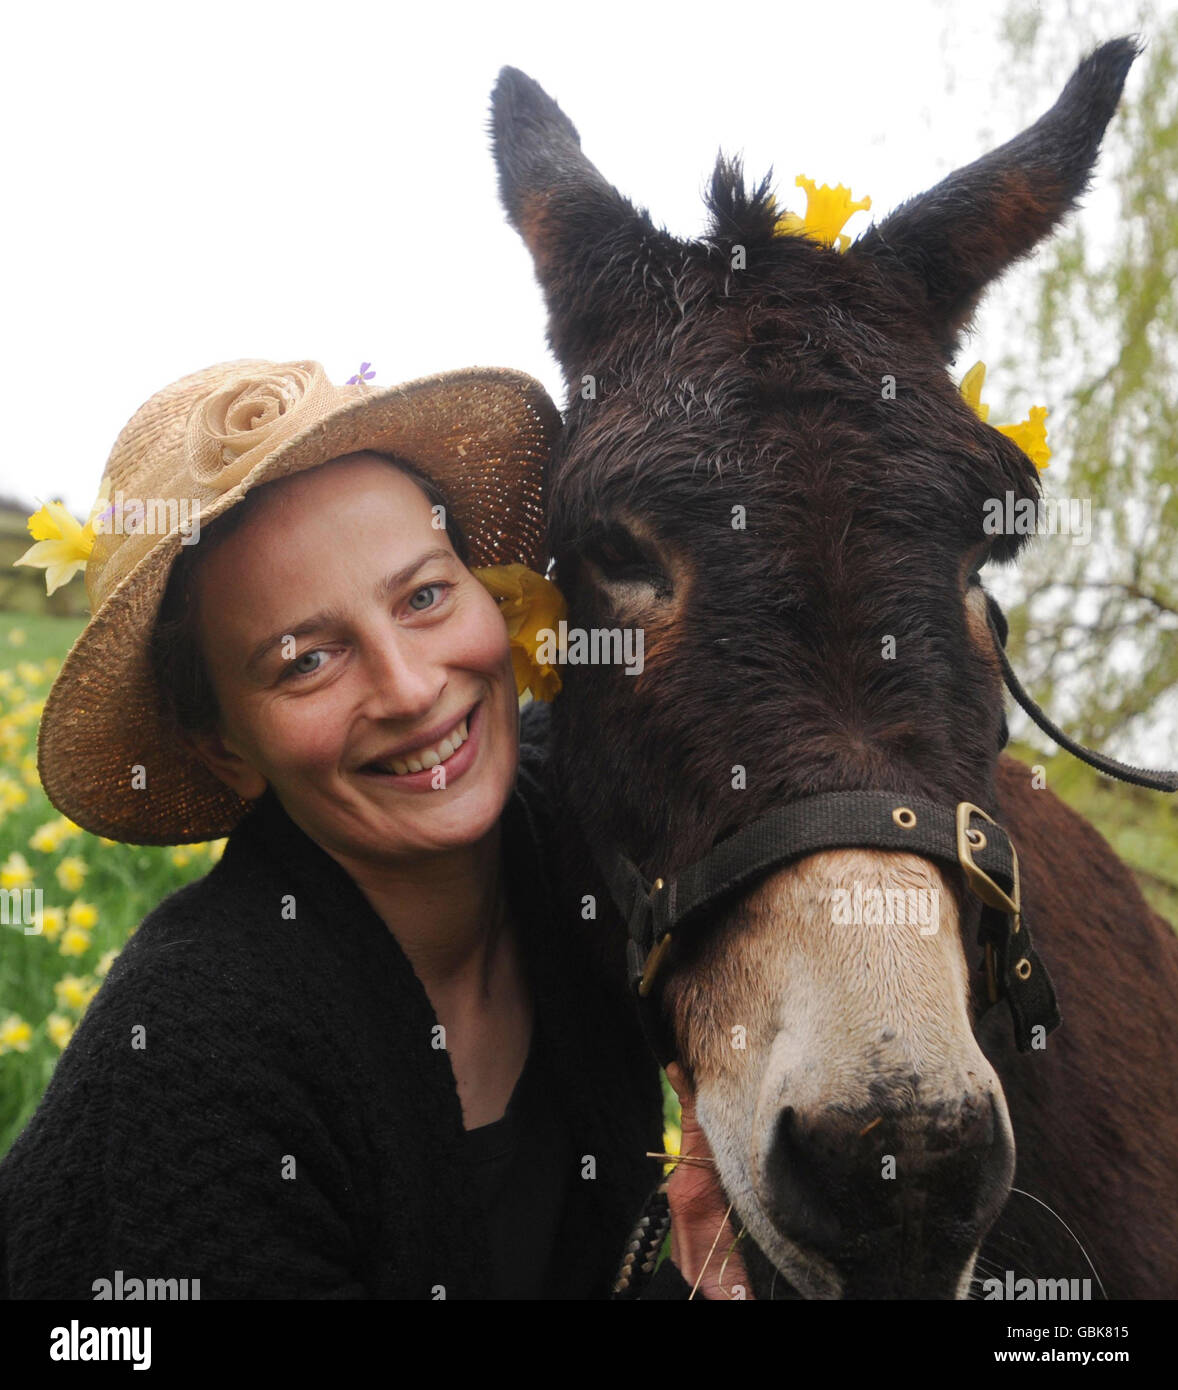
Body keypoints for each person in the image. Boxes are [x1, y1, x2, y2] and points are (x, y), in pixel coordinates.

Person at [0, 357, 743, 1299]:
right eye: (305, 660)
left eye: (424, 597)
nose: (411, 687)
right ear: (223, 747)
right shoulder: (184, 1068)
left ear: (496, 596)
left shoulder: (587, 821)